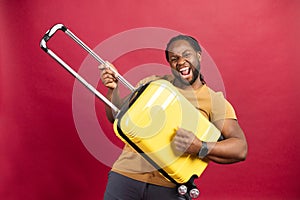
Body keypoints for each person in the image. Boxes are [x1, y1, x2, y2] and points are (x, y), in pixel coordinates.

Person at [99, 35, 248, 199]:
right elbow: (117, 117)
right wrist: (113, 89)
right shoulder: (152, 83)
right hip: (125, 176)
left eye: (187, 54)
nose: (181, 62)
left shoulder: (215, 101)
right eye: (174, 58)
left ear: (199, 55)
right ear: (170, 63)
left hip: (170, 186)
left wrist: (200, 146)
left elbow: (240, 149)